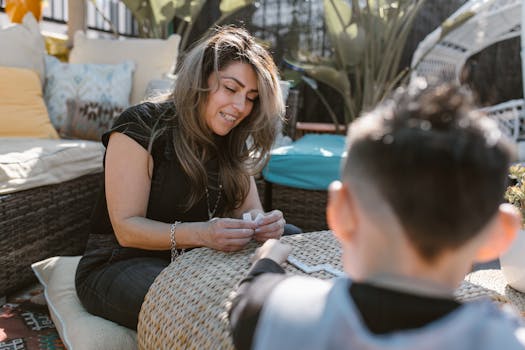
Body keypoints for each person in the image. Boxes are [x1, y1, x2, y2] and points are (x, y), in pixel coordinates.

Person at [229, 81, 525, 349]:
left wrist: (267, 259)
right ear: (499, 234)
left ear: (341, 211)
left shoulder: (273, 314)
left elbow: (248, 296)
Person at [75, 26, 298, 330]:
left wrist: (264, 224)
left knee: (296, 239)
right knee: (208, 307)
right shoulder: (140, 125)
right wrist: (205, 234)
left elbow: (250, 211)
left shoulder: (229, 139)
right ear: (200, 79)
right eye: (231, 89)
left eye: (251, 97)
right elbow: (127, 229)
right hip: (119, 263)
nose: (240, 107)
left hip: (193, 259)